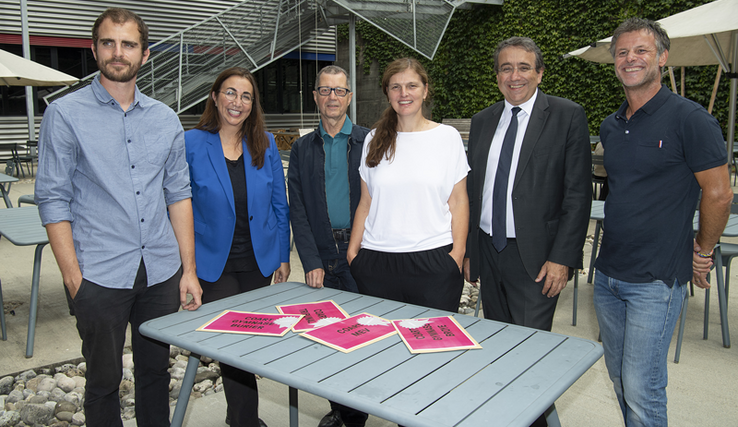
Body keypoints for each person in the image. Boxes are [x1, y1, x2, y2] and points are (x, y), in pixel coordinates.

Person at [34, 8, 202, 427]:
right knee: (103, 381)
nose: (118, 52)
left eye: (128, 44)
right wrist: (75, 280)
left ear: (144, 55)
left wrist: (189, 271)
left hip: (161, 272)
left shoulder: (165, 119)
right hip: (99, 275)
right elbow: (53, 200)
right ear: (94, 50)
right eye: (108, 42)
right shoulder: (65, 114)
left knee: (154, 374)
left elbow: (178, 195)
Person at [594, 18, 732, 426]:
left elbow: (719, 192)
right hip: (608, 276)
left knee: (642, 387)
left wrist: (703, 250)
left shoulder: (690, 119)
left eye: (641, 51)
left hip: (655, 282)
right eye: (622, 52)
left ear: (662, 57)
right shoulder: (612, 125)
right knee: (620, 379)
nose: (630, 59)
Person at [464, 36, 592, 337]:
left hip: (537, 256)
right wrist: (471, 253)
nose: (514, 76)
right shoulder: (483, 120)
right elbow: (472, 191)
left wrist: (562, 258)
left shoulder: (567, 116)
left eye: (524, 67)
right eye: (506, 68)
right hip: (488, 249)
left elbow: (577, 195)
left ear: (540, 73)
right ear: (497, 76)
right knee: (497, 338)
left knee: (530, 345)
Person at [185, 66, 290, 427]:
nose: (238, 102)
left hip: (258, 262)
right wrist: (185, 267)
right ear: (214, 97)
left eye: (246, 96)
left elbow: (280, 203)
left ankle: (241, 418)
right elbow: (178, 205)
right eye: (230, 92)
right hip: (214, 264)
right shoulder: (191, 143)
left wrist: (282, 255)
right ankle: (245, 421)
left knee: (249, 346)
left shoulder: (265, 143)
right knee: (233, 345)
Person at [348, 57, 469, 314]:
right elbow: (366, 202)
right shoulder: (372, 139)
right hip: (376, 261)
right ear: (388, 94)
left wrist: (456, 255)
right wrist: (353, 254)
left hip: (433, 261)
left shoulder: (447, 138)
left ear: (425, 90)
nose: (404, 93)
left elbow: (458, 201)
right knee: (380, 346)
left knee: (433, 347)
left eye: (412, 86)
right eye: (396, 87)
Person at [288, 65, 370, 427]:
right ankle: (342, 411)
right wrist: (310, 260)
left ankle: (361, 409)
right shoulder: (304, 147)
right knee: (329, 337)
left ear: (349, 96)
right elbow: (298, 208)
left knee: (366, 333)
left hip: (363, 253)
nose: (332, 98)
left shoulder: (371, 141)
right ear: (316, 96)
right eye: (325, 90)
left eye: (339, 91)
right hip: (323, 255)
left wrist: (365, 250)